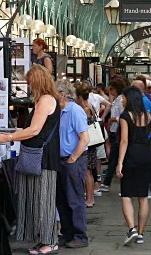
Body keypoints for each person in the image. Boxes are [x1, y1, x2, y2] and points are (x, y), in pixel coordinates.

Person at [0, 65, 60, 255]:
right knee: (37, 199)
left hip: (43, 158)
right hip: (40, 157)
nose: (28, 87)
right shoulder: (45, 100)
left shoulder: (45, 100)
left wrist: (8, 138)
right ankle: (44, 239)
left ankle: (50, 241)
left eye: (29, 83)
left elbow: (35, 130)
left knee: (43, 200)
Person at [116, 86, 151, 246]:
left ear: (129, 98)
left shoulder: (125, 116)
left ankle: (132, 229)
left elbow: (124, 140)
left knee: (126, 194)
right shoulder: (147, 115)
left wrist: (119, 162)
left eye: (124, 97)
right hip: (146, 155)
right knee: (143, 196)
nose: (122, 99)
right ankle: (141, 234)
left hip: (131, 155)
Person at [54, 79, 90, 249]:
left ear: (62, 95)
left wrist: (73, 158)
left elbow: (85, 138)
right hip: (62, 160)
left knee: (75, 199)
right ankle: (67, 233)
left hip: (72, 160)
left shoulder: (75, 111)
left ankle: (80, 236)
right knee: (61, 199)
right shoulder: (59, 112)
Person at [74, 83, 101, 208]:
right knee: (88, 171)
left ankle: (90, 198)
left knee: (87, 172)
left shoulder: (84, 109)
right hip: (91, 142)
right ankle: (89, 197)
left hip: (88, 143)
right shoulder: (89, 106)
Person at [100, 78, 126, 192]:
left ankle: (107, 182)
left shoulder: (121, 101)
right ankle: (107, 182)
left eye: (112, 89)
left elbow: (124, 116)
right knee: (113, 157)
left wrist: (113, 119)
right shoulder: (117, 100)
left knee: (114, 157)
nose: (110, 91)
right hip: (114, 130)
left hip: (118, 131)